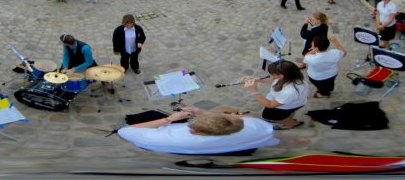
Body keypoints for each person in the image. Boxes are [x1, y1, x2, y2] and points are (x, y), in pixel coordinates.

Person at [117, 106, 277, 155]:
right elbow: (233, 121)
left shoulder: (167, 139)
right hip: (226, 147)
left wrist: (169, 119)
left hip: (163, 143)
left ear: (195, 131)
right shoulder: (255, 125)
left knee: (152, 115)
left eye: (191, 125)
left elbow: (125, 132)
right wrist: (203, 113)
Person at [243, 60, 308, 130]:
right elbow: (273, 80)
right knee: (274, 115)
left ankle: (292, 123)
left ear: (281, 76)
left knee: (272, 116)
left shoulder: (290, 91)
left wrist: (254, 91)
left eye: (273, 74)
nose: (271, 75)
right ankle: (286, 117)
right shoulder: (291, 76)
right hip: (284, 101)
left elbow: (270, 104)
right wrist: (256, 80)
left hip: (285, 106)